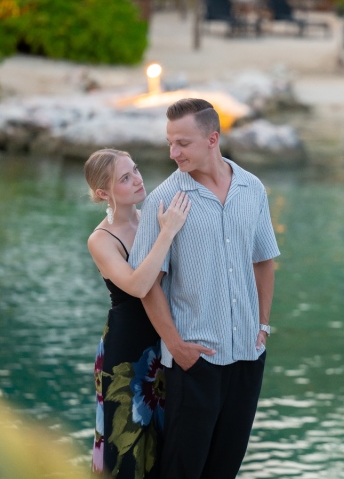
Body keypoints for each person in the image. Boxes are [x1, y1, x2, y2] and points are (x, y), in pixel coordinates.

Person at [129, 98, 280, 478]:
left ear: (212, 139)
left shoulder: (252, 188)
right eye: (170, 142)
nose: (172, 152)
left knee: (225, 467)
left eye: (183, 143)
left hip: (248, 351)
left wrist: (262, 325)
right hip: (194, 358)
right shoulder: (163, 201)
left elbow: (264, 260)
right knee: (182, 469)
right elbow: (148, 286)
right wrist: (176, 346)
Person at [84, 148, 191, 478]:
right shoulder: (101, 239)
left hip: (162, 345)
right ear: (104, 193)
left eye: (136, 171)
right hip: (125, 353)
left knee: (162, 445)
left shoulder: (152, 218)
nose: (138, 180)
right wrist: (167, 233)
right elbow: (137, 285)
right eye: (125, 178)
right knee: (125, 447)